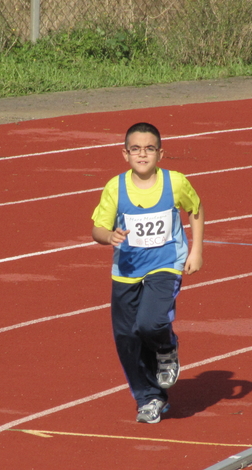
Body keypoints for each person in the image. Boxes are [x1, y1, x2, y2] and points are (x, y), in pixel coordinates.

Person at [91, 122, 205, 424]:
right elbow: (97, 229)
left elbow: (195, 208)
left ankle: (166, 347)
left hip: (165, 264)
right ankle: (149, 398)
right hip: (126, 270)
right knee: (127, 337)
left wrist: (196, 251)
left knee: (150, 322)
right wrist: (108, 237)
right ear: (125, 154)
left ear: (161, 153)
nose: (143, 154)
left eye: (150, 148)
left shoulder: (175, 183)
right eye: (136, 149)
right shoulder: (115, 187)